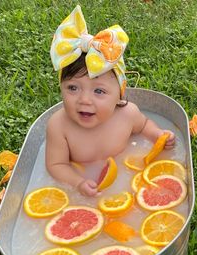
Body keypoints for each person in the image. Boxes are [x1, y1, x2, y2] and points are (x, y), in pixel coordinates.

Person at [46, 5, 175, 197]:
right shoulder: (58, 126)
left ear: (119, 94)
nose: (84, 100)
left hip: (128, 181)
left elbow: (143, 125)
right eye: (72, 88)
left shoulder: (128, 114)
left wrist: (157, 135)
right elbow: (56, 165)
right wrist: (78, 182)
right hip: (81, 183)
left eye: (99, 91)